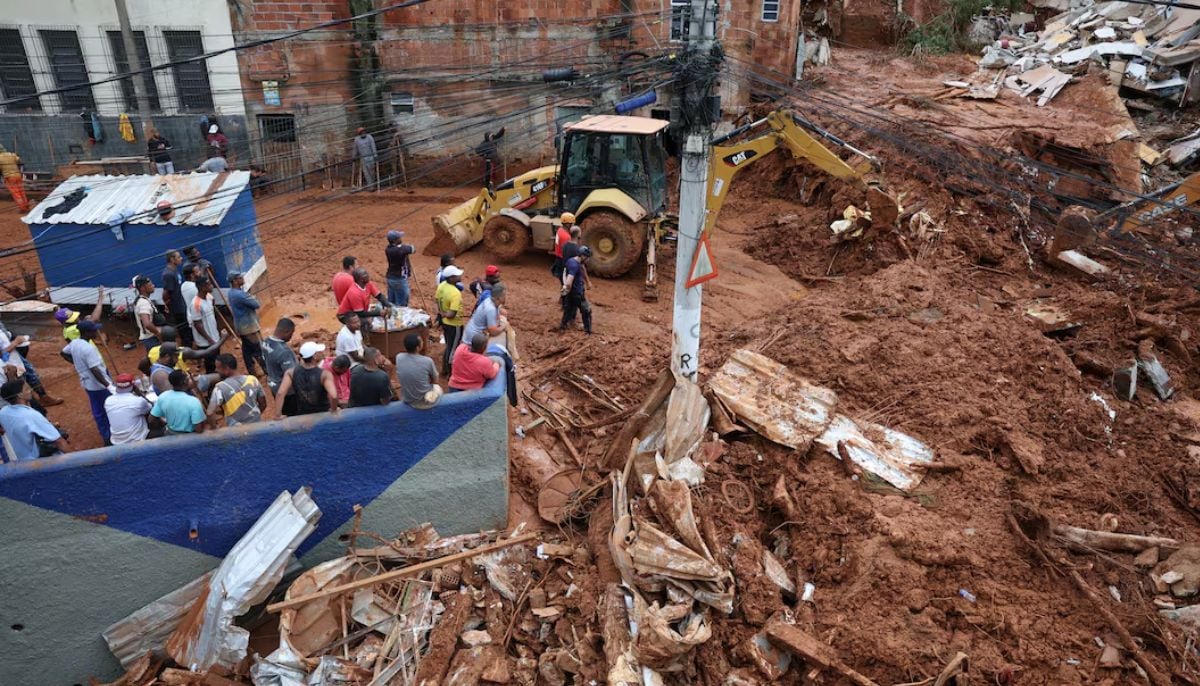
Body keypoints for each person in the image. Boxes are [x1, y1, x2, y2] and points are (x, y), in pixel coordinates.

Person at [60, 320, 113, 444]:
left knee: (99, 409)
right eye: (94, 330)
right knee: (103, 410)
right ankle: (107, 437)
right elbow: (94, 369)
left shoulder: (75, 343)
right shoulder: (88, 349)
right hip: (98, 385)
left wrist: (78, 364)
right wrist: (108, 385)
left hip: (88, 382)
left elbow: (63, 353)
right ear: (87, 332)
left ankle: (107, 434)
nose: (96, 332)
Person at [0, 379, 67, 461]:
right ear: (20, 395)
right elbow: (59, 441)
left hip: (19, 460)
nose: (30, 390)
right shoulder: (32, 415)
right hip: (39, 462)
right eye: (26, 389)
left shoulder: (3, 411)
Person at [0, 319, 62, 407]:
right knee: (21, 387)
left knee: (27, 378)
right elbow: (2, 355)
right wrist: (15, 342)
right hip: (9, 366)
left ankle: (40, 400)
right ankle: (33, 405)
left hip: (15, 361)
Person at [274, 342, 339, 417]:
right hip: (323, 414)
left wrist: (278, 415)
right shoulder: (325, 374)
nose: (321, 353)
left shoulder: (290, 373)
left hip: (303, 414)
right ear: (314, 356)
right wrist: (334, 409)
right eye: (318, 352)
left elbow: (280, 394)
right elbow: (333, 396)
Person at [207, 354, 266, 427]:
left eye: (218, 368)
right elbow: (263, 404)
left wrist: (214, 428)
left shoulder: (220, 387)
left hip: (236, 432)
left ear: (226, 369)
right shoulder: (252, 380)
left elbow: (210, 413)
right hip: (256, 426)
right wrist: (253, 417)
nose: (216, 370)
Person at [228, 272, 264, 376]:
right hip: (249, 327)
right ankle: (266, 370)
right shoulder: (240, 295)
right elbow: (256, 304)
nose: (242, 278)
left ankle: (252, 370)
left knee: (247, 349)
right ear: (234, 281)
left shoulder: (231, 293)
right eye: (240, 278)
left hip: (241, 326)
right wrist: (253, 297)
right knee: (258, 349)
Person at [151, 370, 207, 434]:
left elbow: (151, 419)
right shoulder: (193, 401)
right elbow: (199, 430)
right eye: (188, 378)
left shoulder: (163, 396)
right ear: (185, 381)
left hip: (170, 434)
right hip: (190, 438)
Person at [394, 333, 441, 409]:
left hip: (407, 400)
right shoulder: (427, 361)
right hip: (425, 402)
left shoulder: (399, 357)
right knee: (437, 388)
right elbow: (436, 380)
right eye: (421, 341)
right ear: (417, 348)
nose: (423, 342)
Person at [262, 318, 298, 415]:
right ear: (286, 332)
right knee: (292, 414)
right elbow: (292, 374)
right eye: (292, 333)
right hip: (287, 391)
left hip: (273, 384)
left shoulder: (266, 341)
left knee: (284, 410)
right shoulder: (284, 352)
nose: (291, 336)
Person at [105, 373, 153, 445]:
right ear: (133, 386)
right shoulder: (138, 401)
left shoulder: (108, 401)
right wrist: (139, 393)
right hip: (138, 440)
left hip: (116, 442)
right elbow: (150, 407)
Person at [435, 265, 465, 375]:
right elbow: (452, 314)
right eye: (457, 275)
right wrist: (445, 314)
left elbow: (437, 300)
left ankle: (444, 370)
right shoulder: (455, 293)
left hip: (445, 323)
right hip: (454, 324)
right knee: (453, 349)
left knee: (449, 346)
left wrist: (441, 313)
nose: (460, 276)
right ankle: (451, 373)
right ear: (451, 278)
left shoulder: (442, 285)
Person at [188, 276, 221, 373]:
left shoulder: (210, 297)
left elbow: (212, 309)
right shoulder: (195, 304)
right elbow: (197, 324)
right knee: (211, 365)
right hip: (205, 342)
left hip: (215, 337)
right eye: (209, 284)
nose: (211, 286)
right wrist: (209, 339)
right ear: (202, 287)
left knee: (218, 361)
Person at [560, 246, 593, 334]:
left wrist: (588, 282)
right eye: (587, 257)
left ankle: (562, 326)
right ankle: (588, 331)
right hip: (576, 293)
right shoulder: (575, 266)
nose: (588, 259)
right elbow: (569, 280)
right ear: (582, 256)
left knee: (568, 310)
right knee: (586, 311)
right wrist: (569, 289)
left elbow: (582, 268)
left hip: (571, 292)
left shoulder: (572, 260)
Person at [161, 250, 191, 345]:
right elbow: (166, 292)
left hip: (181, 304)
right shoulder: (168, 274)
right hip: (177, 308)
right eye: (178, 257)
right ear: (172, 259)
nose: (181, 258)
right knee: (184, 331)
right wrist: (168, 305)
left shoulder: (174, 271)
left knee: (186, 329)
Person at [385, 230, 414, 307]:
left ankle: (392, 317)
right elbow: (413, 249)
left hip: (391, 278)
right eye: (399, 238)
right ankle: (399, 318)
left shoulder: (388, 249)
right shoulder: (400, 250)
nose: (401, 239)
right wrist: (403, 246)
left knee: (391, 302)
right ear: (395, 240)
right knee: (402, 304)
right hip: (399, 279)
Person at [133, 275, 163, 350]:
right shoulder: (143, 303)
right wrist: (158, 333)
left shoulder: (143, 299)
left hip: (150, 339)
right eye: (150, 284)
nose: (153, 286)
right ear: (143, 288)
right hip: (150, 339)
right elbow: (147, 323)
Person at [0, 144, 30, 213]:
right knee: (21, 191)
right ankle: (26, 206)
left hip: (9, 177)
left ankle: (22, 208)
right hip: (18, 175)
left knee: (16, 193)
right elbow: (19, 161)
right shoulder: (12, 155)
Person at [551, 212, 575, 279]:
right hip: (563, 260)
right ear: (567, 224)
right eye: (571, 223)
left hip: (558, 257)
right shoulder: (566, 237)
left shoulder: (560, 229)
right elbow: (567, 251)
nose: (572, 225)